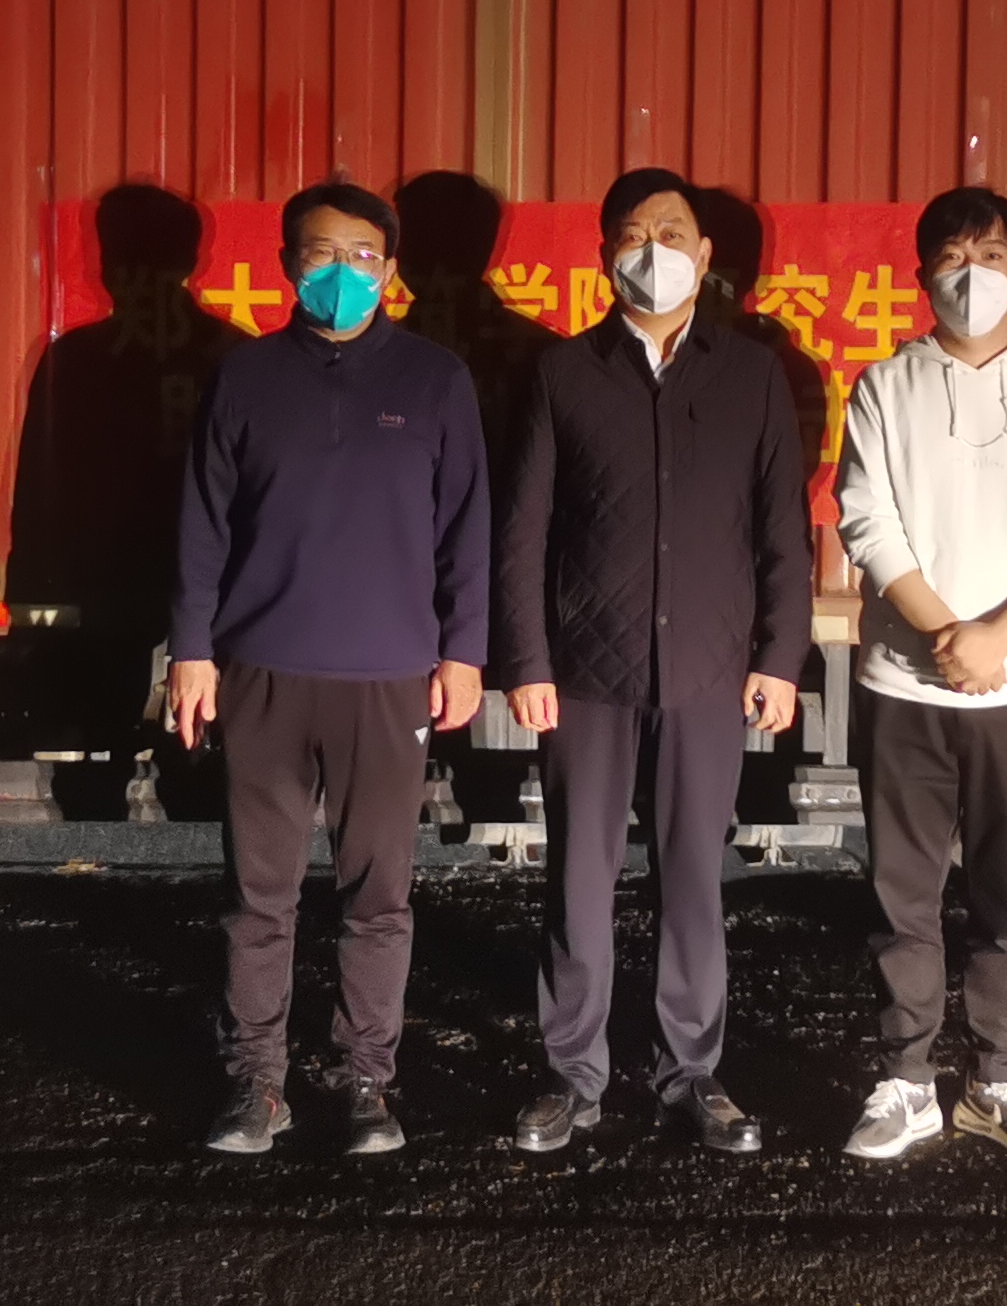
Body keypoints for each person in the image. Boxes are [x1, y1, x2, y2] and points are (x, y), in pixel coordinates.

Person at [493, 168, 812, 1157]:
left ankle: (693, 1072)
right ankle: (572, 1076)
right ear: (604, 256)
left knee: (693, 877)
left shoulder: (752, 375)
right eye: (633, 235)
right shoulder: (563, 373)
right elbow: (523, 532)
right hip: (585, 672)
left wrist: (780, 656)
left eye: (672, 234)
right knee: (577, 880)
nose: (654, 251)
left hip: (711, 670)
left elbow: (782, 530)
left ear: (706, 256)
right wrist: (526, 659)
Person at [167, 181, 490, 1157]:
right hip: (262, 670)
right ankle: (256, 1084)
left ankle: (366, 1084)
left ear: (390, 270)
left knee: (377, 898)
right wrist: (192, 650)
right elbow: (202, 525)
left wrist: (464, 650)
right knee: (258, 897)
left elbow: (467, 528)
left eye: (362, 256)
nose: (342, 272)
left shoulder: (436, 381)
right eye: (320, 254)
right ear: (286, 266)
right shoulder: (244, 378)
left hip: (388, 679)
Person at [833, 185, 1007, 1163]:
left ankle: (997, 1078)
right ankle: (907, 1082)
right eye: (953, 258)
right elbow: (867, 520)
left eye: (990, 257)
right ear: (921, 275)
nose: (972, 276)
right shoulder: (885, 387)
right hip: (902, 686)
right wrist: (949, 633)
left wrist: (1001, 636)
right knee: (902, 898)